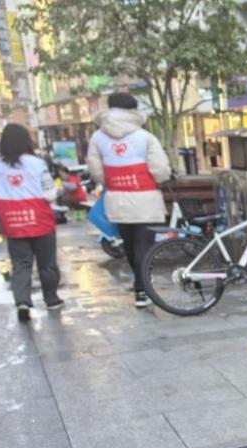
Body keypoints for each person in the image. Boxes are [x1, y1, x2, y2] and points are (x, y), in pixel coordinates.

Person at [87, 91, 171, 307]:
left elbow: (96, 171)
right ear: (133, 109)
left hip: (116, 200)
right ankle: (142, 288)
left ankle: (141, 287)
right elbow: (161, 171)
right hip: (146, 200)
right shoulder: (145, 137)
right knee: (145, 246)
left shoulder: (97, 138)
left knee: (130, 246)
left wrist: (112, 182)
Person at [0, 123, 63, 321]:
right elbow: (49, 194)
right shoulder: (37, 163)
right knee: (47, 263)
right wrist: (59, 191)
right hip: (40, 220)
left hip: (13, 222)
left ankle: (22, 301)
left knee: (21, 264)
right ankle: (51, 299)